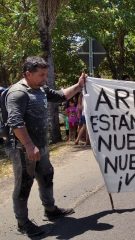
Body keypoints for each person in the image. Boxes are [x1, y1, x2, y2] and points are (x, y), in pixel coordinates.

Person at [5, 56, 86, 237]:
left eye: (46, 74)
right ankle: (23, 223)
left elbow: (60, 95)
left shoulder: (40, 88)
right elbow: (15, 122)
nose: (45, 78)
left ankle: (50, 209)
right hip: (23, 149)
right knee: (23, 185)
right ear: (28, 74)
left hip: (41, 146)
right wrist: (28, 145)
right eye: (41, 75)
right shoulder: (18, 93)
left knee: (47, 176)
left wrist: (79, 86)